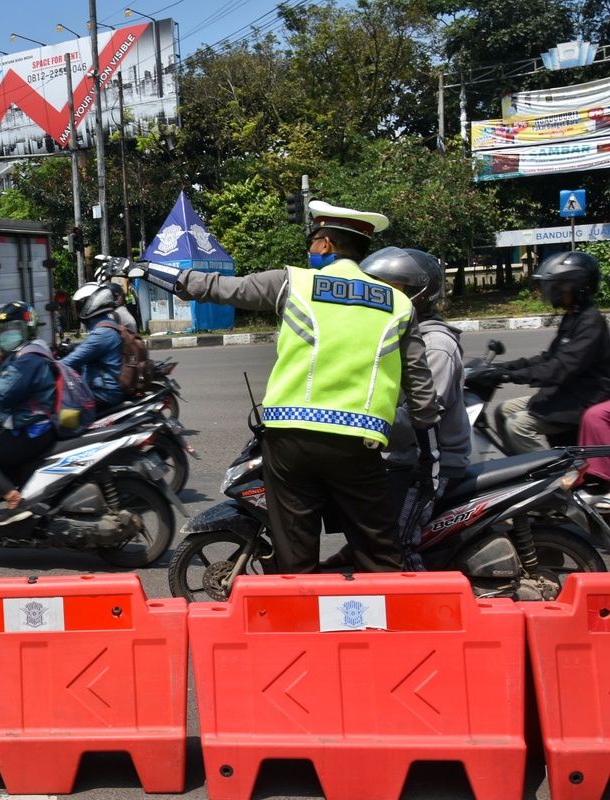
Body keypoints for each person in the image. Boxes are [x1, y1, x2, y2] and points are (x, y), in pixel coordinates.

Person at [114, 200, 440, 573]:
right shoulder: (398, 304)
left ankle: (300, 615)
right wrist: (422, 424)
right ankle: (384, 620)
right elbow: (421, 389)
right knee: (378, 547)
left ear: (327, 245)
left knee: (295, 550)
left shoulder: (294, 282)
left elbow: (216, 288)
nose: (311, 246)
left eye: (314, 239)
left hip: (290, 439)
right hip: (358, 441)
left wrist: (145, 269)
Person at [358, 246, 469, 569]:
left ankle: (420, 613)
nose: (377, 298)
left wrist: (357, 428)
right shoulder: (397, 334)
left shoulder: (436, 345)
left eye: (389, 289)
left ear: (419, 294)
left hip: (429, 464)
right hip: (401, 457)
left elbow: (413, 420)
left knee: (395, 547)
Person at [489, 251, 610, 453]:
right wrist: (501, 368)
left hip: (583, 398)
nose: (553, 290)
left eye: (559, 285)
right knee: (502, 411)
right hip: (566, 392)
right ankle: (518, 468)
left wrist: (510, 376)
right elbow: (548, 357)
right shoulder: (572, 317)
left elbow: (560, 368)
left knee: (518, 425)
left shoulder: (591, 322)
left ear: (579, 286)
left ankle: (552, 475)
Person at [0, 301, 57, 525]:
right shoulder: (34, 350)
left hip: (32, 428)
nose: (5, 336)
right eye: (0, 332)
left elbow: (1, 398)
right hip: (38, 423)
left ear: (27, 327)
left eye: (11, 329)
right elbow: (12, 388)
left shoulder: (28, 358)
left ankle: (14, 500)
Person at [62, 283, 125, 410]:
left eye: (79, 305)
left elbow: (71, 361)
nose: (77, 310)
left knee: (67, 408)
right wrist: (72, 346)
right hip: (102, 387)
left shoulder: (102, 333)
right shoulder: (104, 324)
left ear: (91, 304)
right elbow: (90, 347)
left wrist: (52, 366)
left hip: (105, 392)